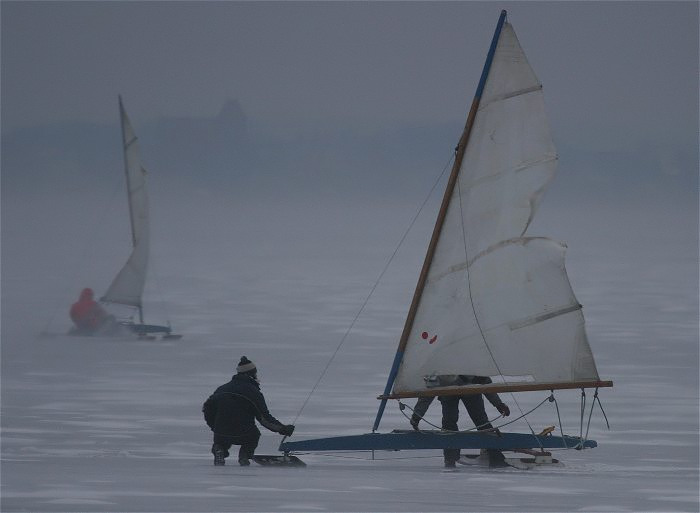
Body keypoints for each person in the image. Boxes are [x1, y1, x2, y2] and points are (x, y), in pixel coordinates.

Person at [202, 356, 295, 466]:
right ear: (251, 374)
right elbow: (264, 418)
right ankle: (244, 456)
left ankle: (219, 449)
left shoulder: (221, 389)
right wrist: (282, 429)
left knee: (221, 440)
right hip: (243, 433)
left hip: (221, 432)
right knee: (254, 436)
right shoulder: (253, 392)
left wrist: (215, 427)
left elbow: (207, 410)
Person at [409, 375, 511, 468]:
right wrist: (417, 415)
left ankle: (495, 457)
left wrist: (498, 404)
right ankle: (450, 459)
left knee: (478, 421)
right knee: (450, 423)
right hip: (449, 390)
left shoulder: (468, 365)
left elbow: (483, 380)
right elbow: (428, 392)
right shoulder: (437, 370)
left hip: (469, 388)